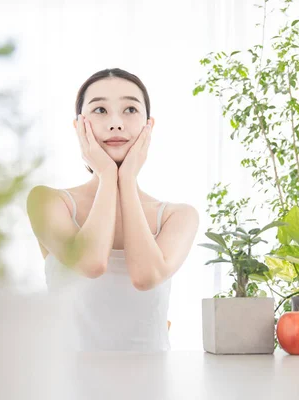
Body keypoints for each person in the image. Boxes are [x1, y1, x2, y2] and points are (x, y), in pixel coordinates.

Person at [26, 68, 199, 352]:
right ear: (80, 126)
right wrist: (107, 175)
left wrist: (126, 179)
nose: (116, 123)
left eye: (130, 109)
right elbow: (91, 263)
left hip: (151, 386)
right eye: (100, 110)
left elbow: (145, 277)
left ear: (148, 126)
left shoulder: (177, 216)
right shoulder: (47, 202)